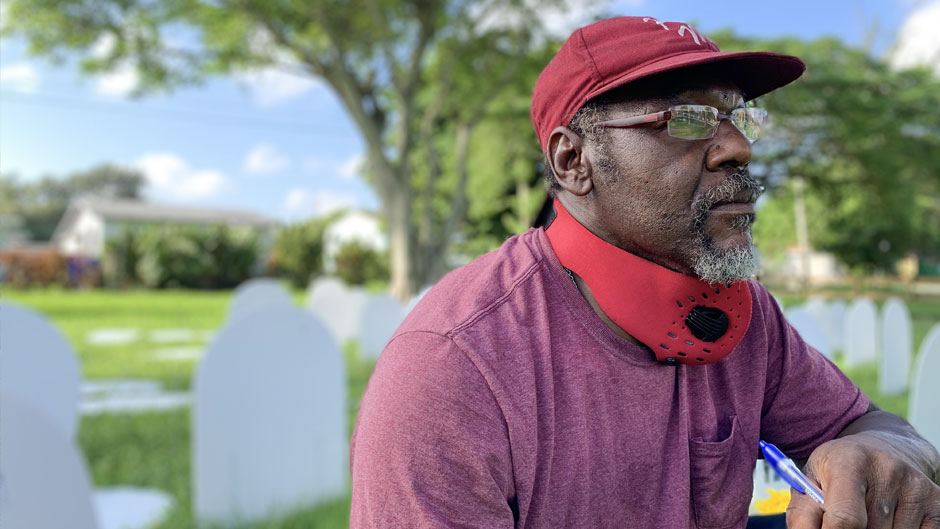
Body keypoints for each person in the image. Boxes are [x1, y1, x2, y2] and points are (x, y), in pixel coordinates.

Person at [350, 16, 940, 529]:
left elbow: (868, 423)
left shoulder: (743, 314)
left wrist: (882, 449)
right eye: (686, 119)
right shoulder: (455, 368)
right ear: (572, 160)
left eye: (740, 119)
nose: (738, 147)